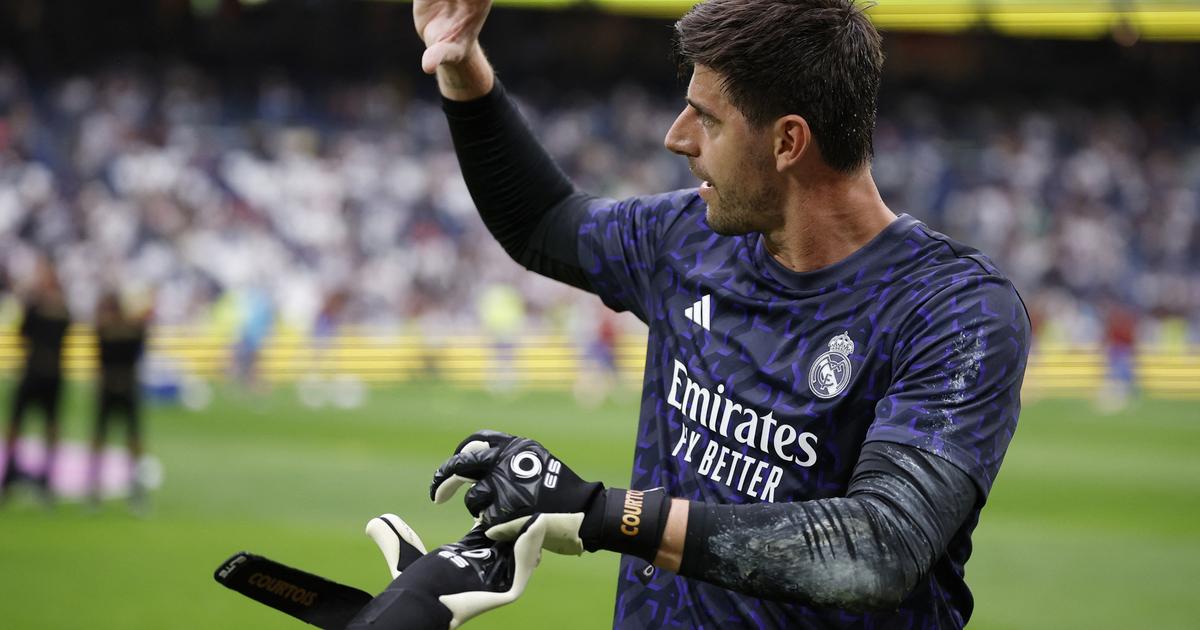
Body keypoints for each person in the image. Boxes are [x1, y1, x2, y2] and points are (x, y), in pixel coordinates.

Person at [414, 0, 1031, 628]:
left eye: (706, 118)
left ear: (788, 141)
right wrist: (461, 66)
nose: (677, 137)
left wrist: (605, 514)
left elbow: (877, 550)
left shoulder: (953, 309)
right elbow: (543, 222)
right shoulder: (689, 239)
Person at [1, 259, 71, 504]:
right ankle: (11, 472)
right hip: (35, 371)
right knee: (17, 422)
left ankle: (46, 477)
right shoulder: (43, 306)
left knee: (50, 424)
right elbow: (24, 331)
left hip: (47, 373)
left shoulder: (57, 308)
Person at [87, 291, 150, 509]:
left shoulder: (109, 330)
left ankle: (124, 489)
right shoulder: (126, 329)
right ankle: (100, 488)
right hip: (121, 387)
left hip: (116, 387)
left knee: (124, 438)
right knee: (115, 437)